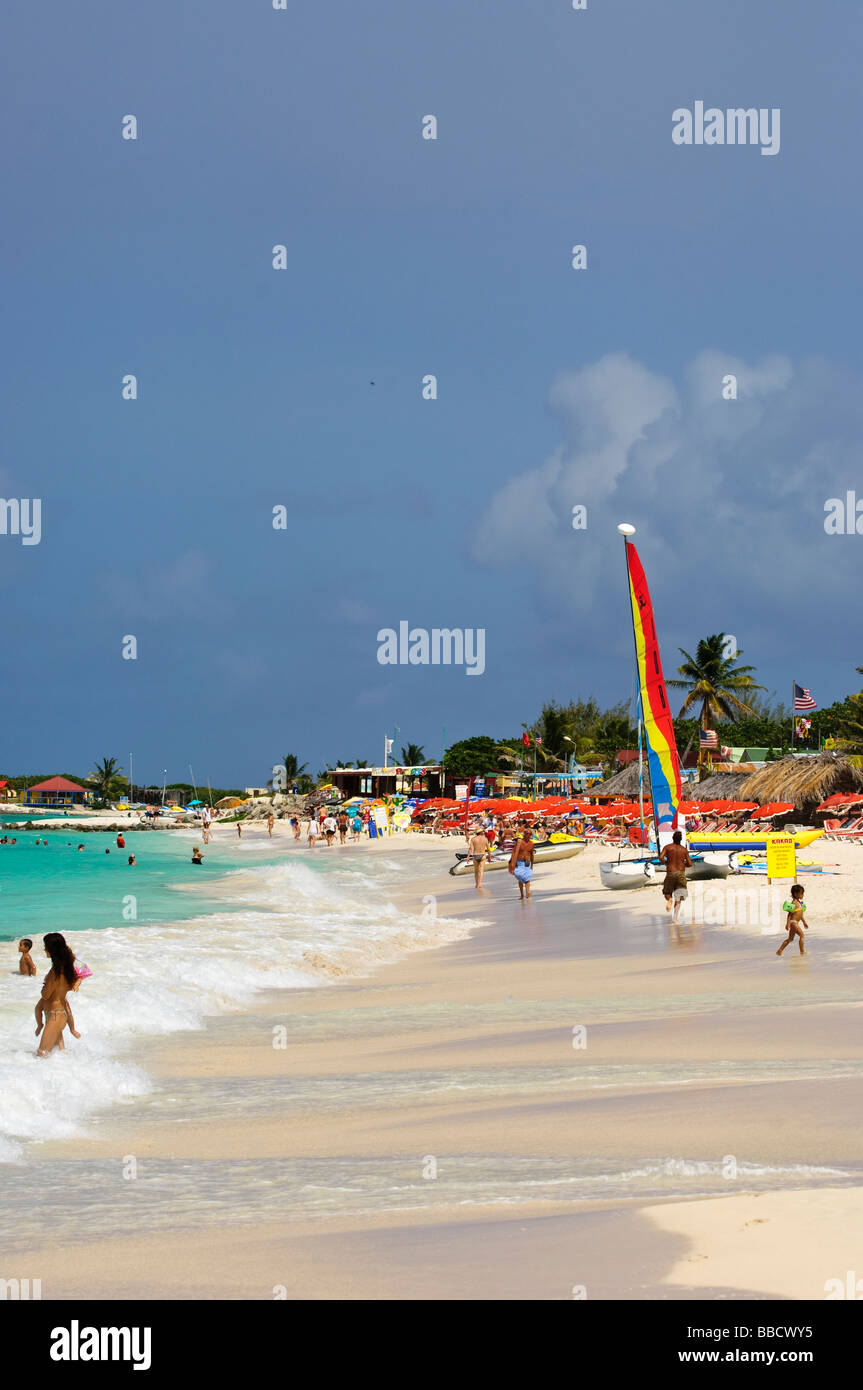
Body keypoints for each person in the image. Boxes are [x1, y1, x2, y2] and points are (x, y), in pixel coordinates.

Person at [35, 933, 81, 1056]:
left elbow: (45, 995)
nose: (44, 949)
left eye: (46, 946)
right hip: (59, 1014)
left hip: (54, 1016)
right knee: (58, 1056)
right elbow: (76, 980)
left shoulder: (55, 972)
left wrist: (43, 987)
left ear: (52, 949)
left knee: (42, 1055)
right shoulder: (66, 968)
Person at [659, 830, 692, 923]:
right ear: (681, 839)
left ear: (673, 838)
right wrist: (683, 864)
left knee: (667, 892)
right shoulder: (684, 850)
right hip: (681, 874)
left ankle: (669, 899)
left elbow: (661, 857)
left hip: (671, 872)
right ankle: (675, 918)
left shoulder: (668, 847)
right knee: (679, 896)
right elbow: (690, 863)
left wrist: (666, 863)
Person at [777, 885, 809, 957]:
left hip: (796, 923)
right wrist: (787, 924)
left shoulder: (799, 903)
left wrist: (804, 922)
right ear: (795, 894)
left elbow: (800, 914)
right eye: (801, 893)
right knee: (802, 935)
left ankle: (779, 951)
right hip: (793, 922)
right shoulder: (794, 902)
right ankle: (802, 952)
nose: (803, 895)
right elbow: (789, 914)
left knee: (790, 939)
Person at [509, 823, 535, 900]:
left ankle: (527, 893)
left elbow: (532, 854)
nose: (527, 835)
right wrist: (513, 863)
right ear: (524, 834)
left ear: (530, 835)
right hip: (519, 862)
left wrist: (532, 865)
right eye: (526, 833)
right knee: (520, 878)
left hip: (527, 862)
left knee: (527, 878)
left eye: (529, 834)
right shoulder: (519, 842)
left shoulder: (531, 844)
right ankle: (522, 895)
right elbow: (514, 852)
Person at [466, 825, 491, 889]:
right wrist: (489, 856)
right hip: (482, 855)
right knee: (481, 870)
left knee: (476, 871)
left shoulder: (473, 839)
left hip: (475, 855)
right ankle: (480, 884)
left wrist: (468, 857)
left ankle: (476, 884)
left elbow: (470, 848)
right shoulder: (485, 839)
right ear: (481, 832)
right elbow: (488, 849)